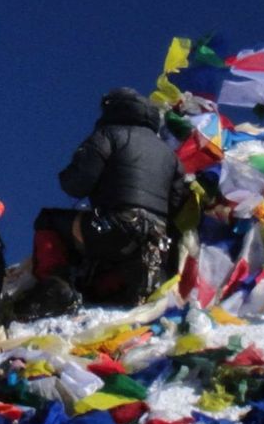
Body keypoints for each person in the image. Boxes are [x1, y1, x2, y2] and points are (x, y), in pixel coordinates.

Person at [18, 87, 188, 318]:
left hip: (115, 225)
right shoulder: (169, 155)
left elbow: (76, 184)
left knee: (48, 220)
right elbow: (178, 201)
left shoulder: (109, 135)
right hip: (156, 239)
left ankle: (55, 285)